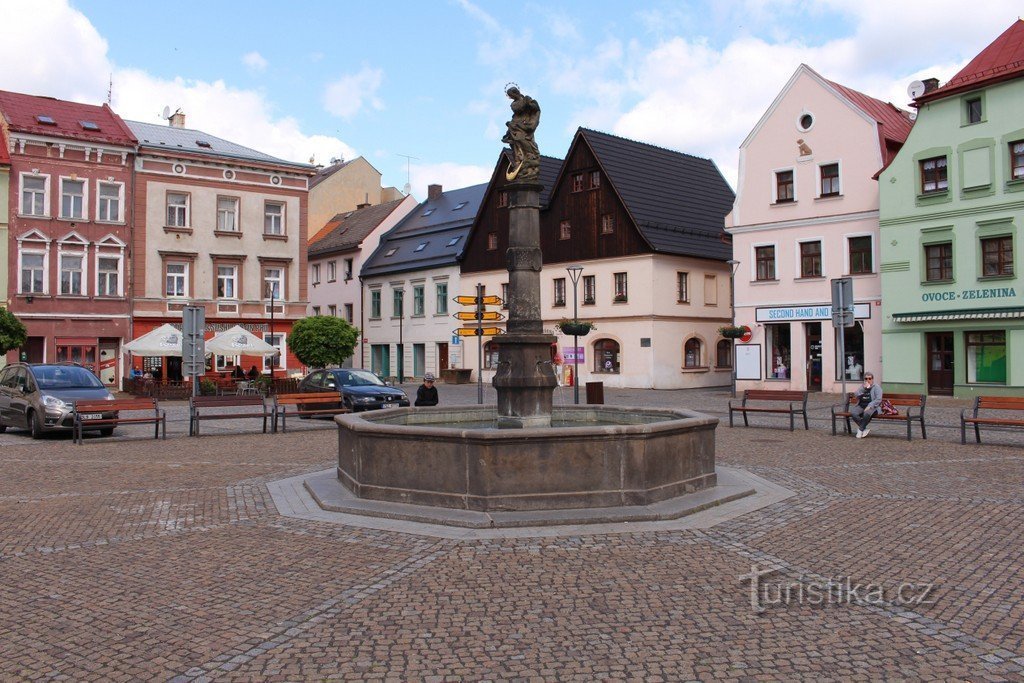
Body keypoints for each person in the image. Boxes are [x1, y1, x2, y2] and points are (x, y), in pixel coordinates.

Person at [850, 371, 882, 438]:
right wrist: (863, 389)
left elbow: (878, 399)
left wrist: (870, 405)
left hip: (873, 407)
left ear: (872, 379)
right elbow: (856, 395)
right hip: (861, 405)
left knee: (866, 413)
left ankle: (860, 430)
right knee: (853, 413)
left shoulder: (876, 387)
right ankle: (864, 429)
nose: (868, 380)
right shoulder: (863, 386)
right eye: (866, 379)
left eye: (869, 379)